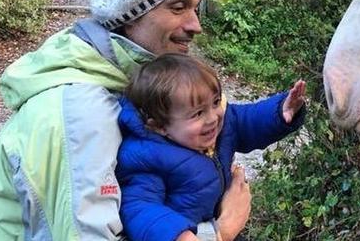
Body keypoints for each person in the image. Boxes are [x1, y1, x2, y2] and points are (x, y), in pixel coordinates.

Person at [0, 0, 252, 240]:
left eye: (194, 9)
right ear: (130, 16)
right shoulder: (80, 113)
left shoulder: (133, 82)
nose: (196, 25)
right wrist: (219, 232)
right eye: (178, 7)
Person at [116, 54, 306, 241]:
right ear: (160, 126)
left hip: (218, 223)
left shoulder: (220, 126)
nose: (213, 118)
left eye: (215, 102)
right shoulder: (148, 157)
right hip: (195, 233)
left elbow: (247, 120)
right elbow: (139, 207)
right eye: (198, 113)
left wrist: (280, 111)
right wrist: (178, 235)